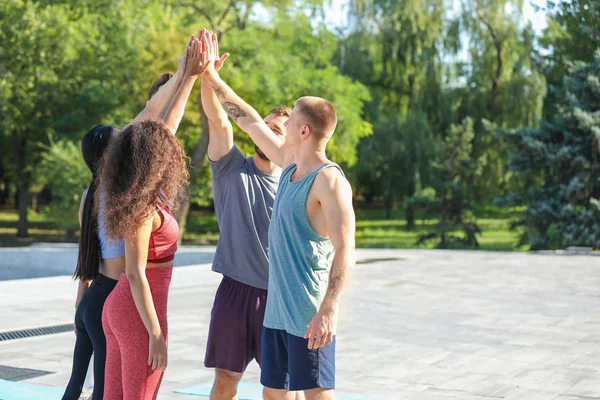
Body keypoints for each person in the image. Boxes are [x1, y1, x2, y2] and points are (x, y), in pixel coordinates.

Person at [200, 30, 356, 400]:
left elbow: (346, 249)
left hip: (307, 314)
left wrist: (329, 309)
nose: (280, 127)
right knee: (274, 395)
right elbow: (248, 120)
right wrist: (211, 76)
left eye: (290, 122)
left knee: (317, 395)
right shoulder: (288, 166)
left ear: (303, 131)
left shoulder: (329, 182)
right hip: (275, 314)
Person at [62, 66, 181, 400]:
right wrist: (184, 76)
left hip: (93, 295)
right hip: (112, 297)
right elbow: (151, 122)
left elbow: (86, 252)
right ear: (108, 157)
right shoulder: (117, 192)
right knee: (104, 392)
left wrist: (80, 299)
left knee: (77, 386)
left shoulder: (90, 196)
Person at [99, 35, 206, 400]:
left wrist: (188, 76)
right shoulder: (143, 207)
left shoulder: (133, 187)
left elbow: (159, 125)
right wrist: (157, 335)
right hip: (137, 313)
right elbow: (134, 272)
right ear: (156, 160)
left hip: (121, 308)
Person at [197, 31, 296, 400]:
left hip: (281, 297)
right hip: (235, 290)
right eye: (265, 125)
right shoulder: (231, 167)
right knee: (225, 379)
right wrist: (208, 76)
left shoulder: (296, 180)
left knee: (283, 389)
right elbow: (219, 120)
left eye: (276, 129)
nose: (267, 132)